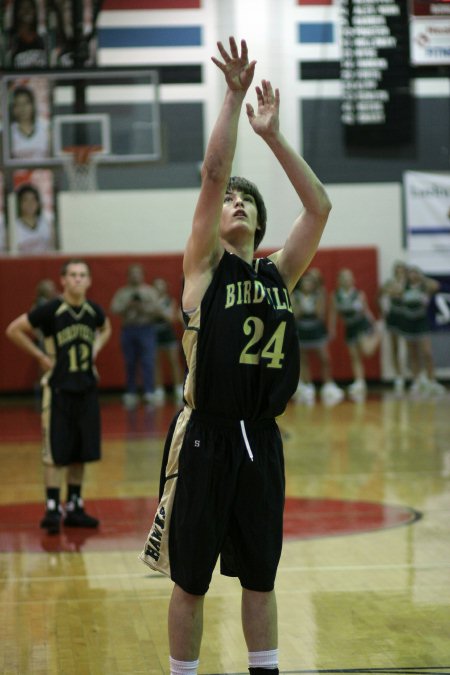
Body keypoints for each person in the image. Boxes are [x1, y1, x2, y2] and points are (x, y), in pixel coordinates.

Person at [139, 37, 332, 675]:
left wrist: (274, 137)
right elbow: (215, 171)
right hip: (205, 436)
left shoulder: (278, 273)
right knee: (190, 580)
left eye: (248, 200)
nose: (237, 201)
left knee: (260, 576)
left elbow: (319, 206)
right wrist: (234, 95)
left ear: (259, 220)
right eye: (230, 200)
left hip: (261, 437)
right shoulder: (202, 269)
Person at [5, 259, 112, 535]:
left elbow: (107, 327)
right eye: (73, 275)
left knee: (80, 451)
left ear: (89, 281)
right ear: (63, 280)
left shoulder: (92, 310)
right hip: (59, 390)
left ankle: (75, 506)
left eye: (83, 275)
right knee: (54, 453)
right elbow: (13, 329)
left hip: (86, 389)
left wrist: (95, 350)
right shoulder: (51, 310)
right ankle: (53, 509)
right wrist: (41, 356)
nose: (78, 280)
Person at [110, 263, 162, 409]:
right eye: (132, 273)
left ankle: (149, 391)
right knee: (130, 361)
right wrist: (128, 305)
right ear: (128, 276)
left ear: (142, 275)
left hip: (146, 328)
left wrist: (143, 307)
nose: (135, 276)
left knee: (148, 361)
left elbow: (158, 310)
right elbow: (114, 308)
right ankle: (131, 392)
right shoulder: (123, 292)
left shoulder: (150, 292)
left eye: (138, 273)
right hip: (129, 329)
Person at [292, 270, 344, 406]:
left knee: (325, 358)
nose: (307, 284)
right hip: (301, 329)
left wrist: (304, 309)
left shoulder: (320, 294)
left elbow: (319, 313)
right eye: (305, 281)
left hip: (316, 329)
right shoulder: (295, 295)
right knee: (303, 359)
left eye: (310, 282)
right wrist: (303, 309)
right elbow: (295, 313)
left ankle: (328, 384)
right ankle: (307, 385)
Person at [329, 268, 381, 402]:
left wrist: (374, 324)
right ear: (339, 280)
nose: (346, 280)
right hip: (349, 327)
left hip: (362, 324)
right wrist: (332, 329)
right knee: (354, 356)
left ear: (352, 280)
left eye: (349, 277)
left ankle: (380, 334)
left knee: (367, 351)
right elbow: (334, 314)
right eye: (344, 278)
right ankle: (360, 382)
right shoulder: (336, 295)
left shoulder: (359, 294)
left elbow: (366, 310)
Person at [399, 265, 445, 397]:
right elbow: (393, 291)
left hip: (421, 322)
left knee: (427, 352)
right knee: (412, 353)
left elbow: (436, 285)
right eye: (411, 273)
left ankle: (432, 380)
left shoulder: (425, 287)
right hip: (408, 322)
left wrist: (422, 278)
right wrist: (402, 280)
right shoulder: (404, 287)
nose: (412, 275)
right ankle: (417, 380)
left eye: (415, 272)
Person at [152, 277, 184, 404]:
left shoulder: (170, 301)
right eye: (157, 286)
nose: (159, 288)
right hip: (154, 335)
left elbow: (171, 318)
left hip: (168, 335)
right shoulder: (151, 302)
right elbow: (147, 316)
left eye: (161, 285)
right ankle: (159, 390)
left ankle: (178, 387)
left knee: (174, 361)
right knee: (156, 363)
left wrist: (159, 311)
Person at [378, 260, 408, 394]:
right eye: (398, 270)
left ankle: (413, 374)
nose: (400, 272)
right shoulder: (390, 283)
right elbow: (379, 294)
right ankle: (398, 375)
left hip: (407, 317)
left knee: (410, 345)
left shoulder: (409, 284)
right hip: (394, 317)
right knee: (394, 346)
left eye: (402, 270)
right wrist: (383, 312)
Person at [10, 85, 50, 160]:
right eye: (18, 104)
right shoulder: (9, 132)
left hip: (42, 171)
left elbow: (54, 159)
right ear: (13, 108)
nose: (22, 108)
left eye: (26, 103)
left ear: (32, 105)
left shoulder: (46, 127)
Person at [14, 183, 55, 254]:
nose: (30, 203)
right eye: (25, 200)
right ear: (19, 203)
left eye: (33, 199)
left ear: (38, 203)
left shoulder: (46, 223)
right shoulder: (14, 226)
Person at [6, 0, 47, 68]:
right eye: (23, 8)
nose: (27, 11)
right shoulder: (11, 40)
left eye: (29, 7)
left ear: (34, 11)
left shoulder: (43, 39)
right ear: (17, 12)